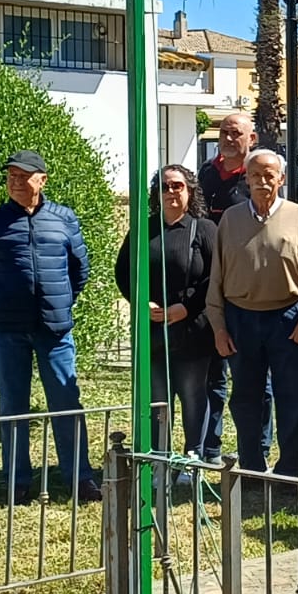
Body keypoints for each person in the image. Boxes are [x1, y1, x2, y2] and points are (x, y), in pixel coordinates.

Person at [0, 150, 98, 505]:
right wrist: (1, 306)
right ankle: (17, 481)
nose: (16, 182)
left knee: (66, 402)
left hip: (55, 330)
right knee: (13, 405)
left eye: (23, 176)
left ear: (42, 179)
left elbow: (80, 270)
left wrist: (60, 302)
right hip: (8, 330)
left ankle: (80, 477)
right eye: (11, 176)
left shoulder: (64, 219)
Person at [206, 149, 298, 476]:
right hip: (240, 318)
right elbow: (216, 278)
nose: (262, 181)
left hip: (288, 319)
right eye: (255, 175)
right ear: (246, 179)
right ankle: (252, 466)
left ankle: (289, 469)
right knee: (246, 398)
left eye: (269, 174)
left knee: (291, 397)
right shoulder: (230, 219)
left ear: (281, 178)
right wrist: (219, 327)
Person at [115, 165, 217, 473]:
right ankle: (160, 460)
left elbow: (216, 277)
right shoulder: (143, 230)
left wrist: (186, 308)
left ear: (190, 191)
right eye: (163, 186)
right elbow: (123, 272)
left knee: (193, 396)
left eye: (177, 186)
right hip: (153, 330)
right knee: (158, 399)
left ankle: (192, 460)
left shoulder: (204, 229)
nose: (170, 192)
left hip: (193, 329)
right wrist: (141, 302)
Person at [194, 111, 258, 463]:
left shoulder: (257, 175)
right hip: (208, 288)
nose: (229, 139)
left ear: (252, 139)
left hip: (246, 290)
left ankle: (256, 454)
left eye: (236, 133)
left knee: (253, 380)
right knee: (212, 376)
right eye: (224, 132)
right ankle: (210, 448)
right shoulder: (205, 174)